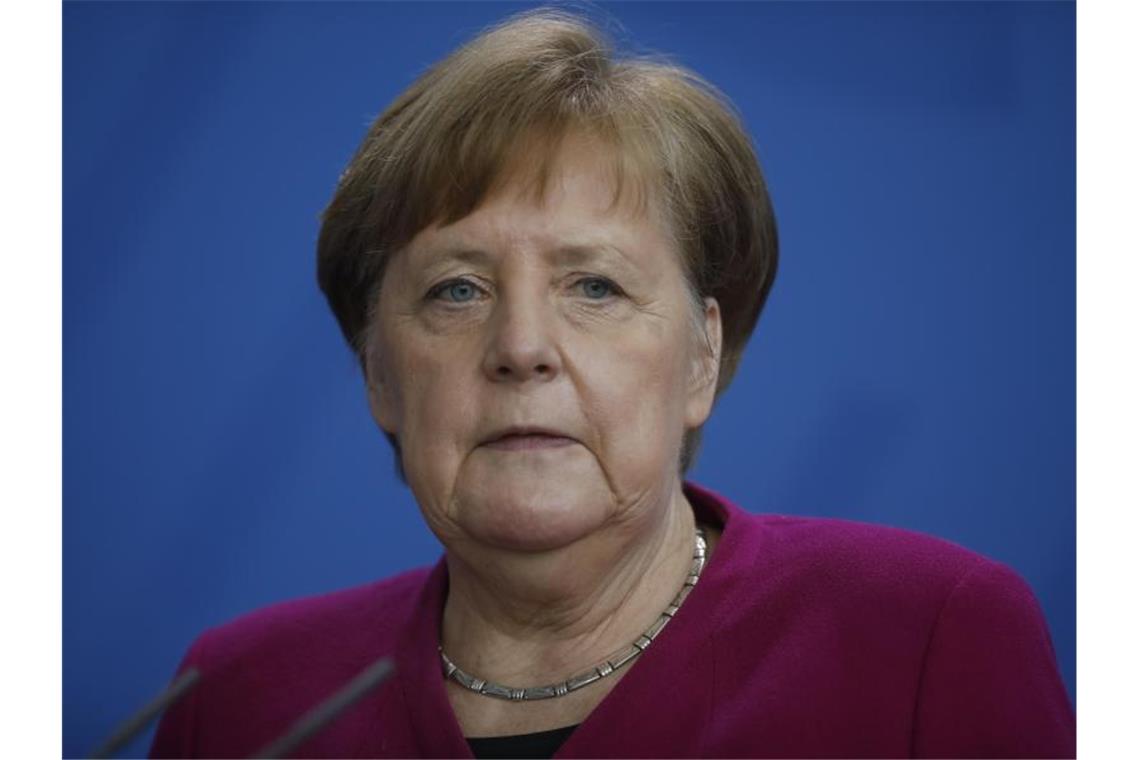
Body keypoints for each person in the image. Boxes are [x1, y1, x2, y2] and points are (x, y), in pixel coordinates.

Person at [150, 9, 1074, 758]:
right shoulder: (240, 701)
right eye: (456, 289)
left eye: (593, 285)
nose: (521, 346)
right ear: (377, 375)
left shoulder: (921, 639)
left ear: (701, 360)